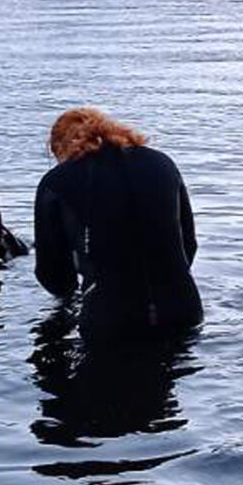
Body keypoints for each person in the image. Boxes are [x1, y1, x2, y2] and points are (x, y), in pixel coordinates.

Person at [32, 108, 200, 342]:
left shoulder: (57, 182)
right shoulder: (162, 163)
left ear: (60, 148)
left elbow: (53, 275)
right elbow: (188, 246)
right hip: (184, 310)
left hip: (110, 320)